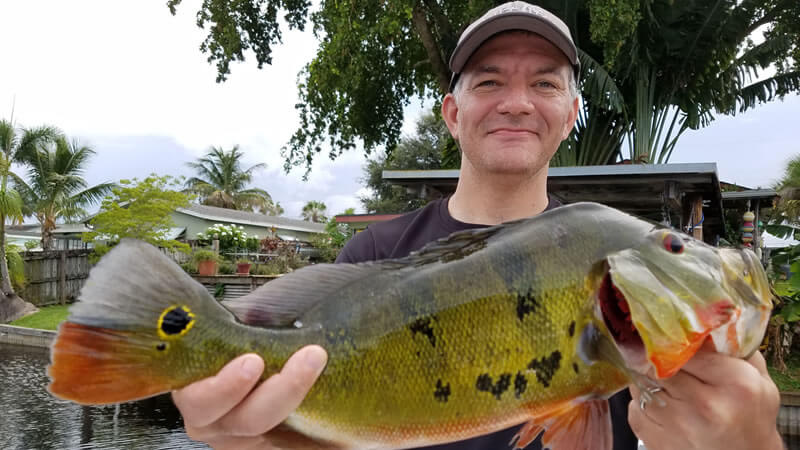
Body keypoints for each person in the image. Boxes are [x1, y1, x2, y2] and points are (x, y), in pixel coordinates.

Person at [172, 2, 784, 449]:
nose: (516, 101)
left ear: (571, 113)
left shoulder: (648, 324)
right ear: (452, 113)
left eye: (544, 83)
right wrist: (260, 437)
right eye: (489, 81)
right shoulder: (371, 253)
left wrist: (752, 441)